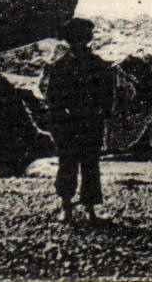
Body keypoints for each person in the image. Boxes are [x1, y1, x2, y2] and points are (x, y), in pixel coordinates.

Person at [39, 17, 115, 226]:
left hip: (87, 123)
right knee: (71, 164)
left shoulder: (97, 66)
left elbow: (107, 96)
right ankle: (68, 207)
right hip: (70, 123)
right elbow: (53, 99)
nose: (80, 42)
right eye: (76, 38)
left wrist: (101, 115)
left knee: (86, 165)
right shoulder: (62, 67)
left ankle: (86, 209)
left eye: (82, 38)